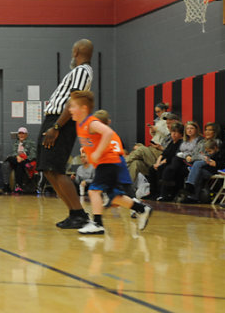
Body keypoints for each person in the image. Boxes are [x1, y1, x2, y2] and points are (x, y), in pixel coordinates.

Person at [67, 91, 151, 234]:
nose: (70, 109)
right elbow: (92, 141)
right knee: (115, 197)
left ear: (84, 108)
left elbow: (108, 133)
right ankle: (142, 209)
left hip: (108, 161)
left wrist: (98, 152)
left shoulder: (91, 122)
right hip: (106, 163)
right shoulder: (79, 125)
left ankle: (98, 224)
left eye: (73, 106)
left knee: (93, 191)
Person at [38, 38, 94, 229]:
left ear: (76, 52)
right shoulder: (79, 71)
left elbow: (73, 101)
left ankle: (79, 213)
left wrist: (56, 127)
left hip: (61, 122)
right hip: (54, 120)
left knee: (56, 169)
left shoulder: (81, 71)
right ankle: (74, 213)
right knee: (48, 170)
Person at [156, 120, 204, 201]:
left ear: (196, 129)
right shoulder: (184, 140)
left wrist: (186, 155)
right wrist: (185, 155)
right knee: (170, 168)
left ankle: (165, 191)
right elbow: (177, 152)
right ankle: (165, 193)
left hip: (191, 162)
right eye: (187, 128)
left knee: (172, 166)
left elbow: (197, 153)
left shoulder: (200, 140)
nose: (189, 130)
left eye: (191, 128)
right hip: (181, 161)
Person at [6, 127, 37, 193]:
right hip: (18, 160)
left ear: (26, 135)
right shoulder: (16, 143)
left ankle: (18, 186)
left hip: (26, 159)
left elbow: (33, 155)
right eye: (20, 133)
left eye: (23, 133)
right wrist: (18, 157)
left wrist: (23, 158)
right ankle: (24, 164)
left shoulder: (31, 143)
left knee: (18, 165)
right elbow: (14, 153)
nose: (21, 135)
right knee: (11, 159)